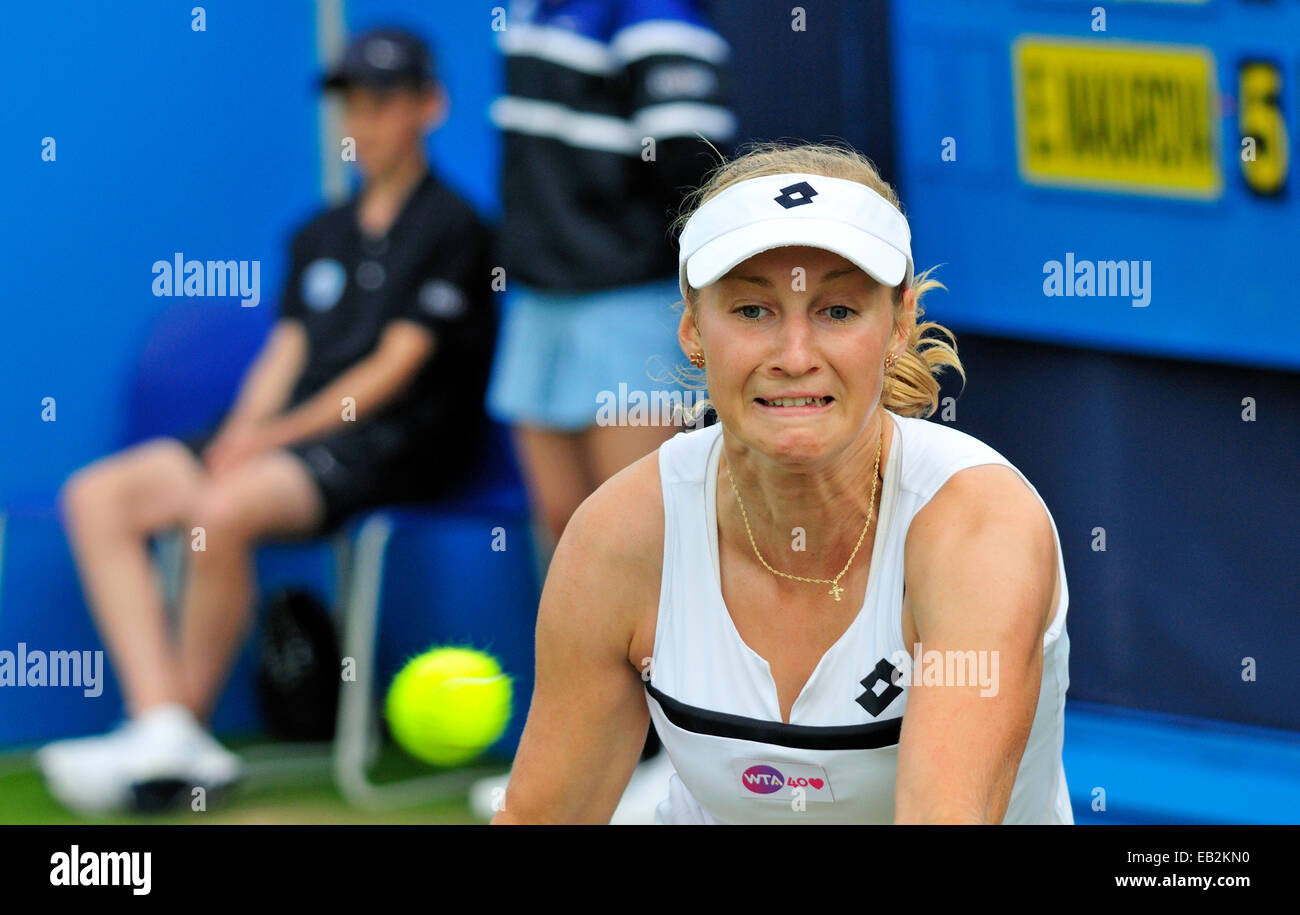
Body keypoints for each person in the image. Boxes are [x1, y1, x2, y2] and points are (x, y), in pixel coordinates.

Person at [492, 141, 1073, 824]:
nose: (794, 357)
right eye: (751, 311)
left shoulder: (981, 528)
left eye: (836, 311)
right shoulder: (618, 535)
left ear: (899, 325)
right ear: (692, 329)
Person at [37, 28, 498, 814]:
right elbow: (284, 356)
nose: (363, 121)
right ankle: (163, 721)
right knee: (98, 496)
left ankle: (174, 733)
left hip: (392, 445)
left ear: (430, 106)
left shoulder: (457, 228)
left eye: (384, 101)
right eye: (353, 102)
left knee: (220, 511)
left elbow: (391, 370)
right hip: (279, 440)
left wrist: (265, 444)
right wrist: (238, 436)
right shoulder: (315, 234)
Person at [480, 0, 737, 820]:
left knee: (640, 544)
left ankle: (668, 762)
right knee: (566, 529)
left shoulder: (657, 17)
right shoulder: (531, 9)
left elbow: (695, 174)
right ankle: (583, 757)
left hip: (627, 301)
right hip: (538, 298)